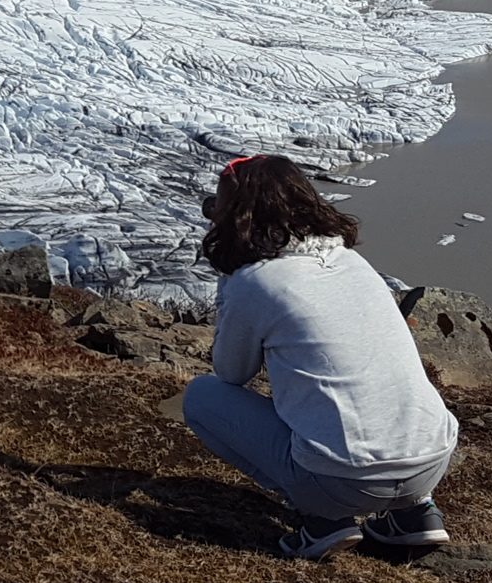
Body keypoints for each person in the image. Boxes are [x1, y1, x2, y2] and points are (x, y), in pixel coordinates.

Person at [181, 154, 458, 560]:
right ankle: (416, 515)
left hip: (344, 480)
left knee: (202, 396)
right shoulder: (353, 262)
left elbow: (231, 372)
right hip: (432, 461)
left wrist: (232, 281)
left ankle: (322, 520)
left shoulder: (256, 282)